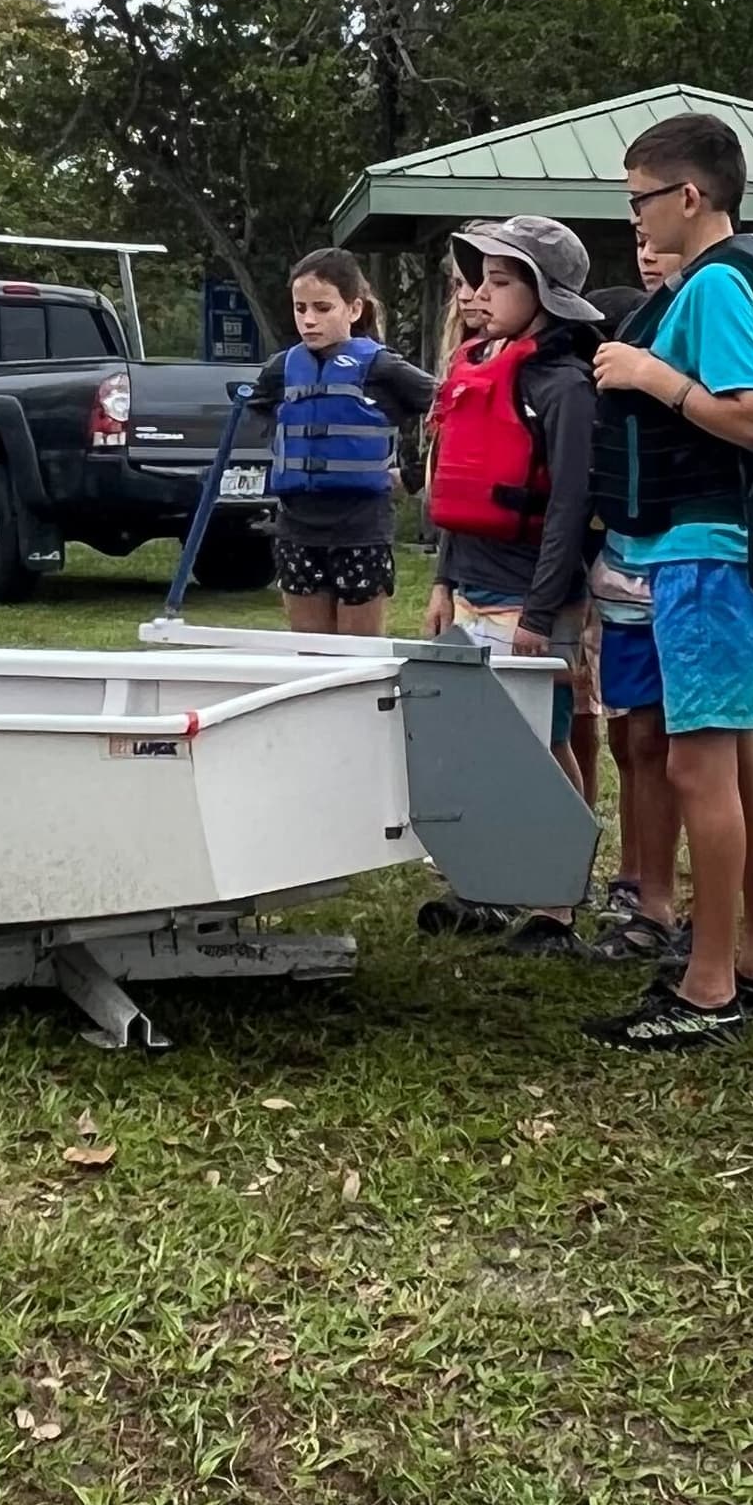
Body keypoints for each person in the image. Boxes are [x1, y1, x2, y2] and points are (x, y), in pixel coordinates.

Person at [581, 113, 753, 1048]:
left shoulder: (715, 282)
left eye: (639, 197)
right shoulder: (744, 269)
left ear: (688, 195)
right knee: (739, 762)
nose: (634, 215)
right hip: (721, 551)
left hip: (707, 552)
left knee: (698, 766)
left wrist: (649, 375)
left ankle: (708, 986)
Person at [422, 217, 604, 953]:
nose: (482, 294)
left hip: (530, 597)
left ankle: (559, 902)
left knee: (546, 745)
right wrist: (442, 581)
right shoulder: (480, 366)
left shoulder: (565, 385)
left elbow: (569, 508)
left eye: (501, 282)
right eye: (482, 280)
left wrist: (540, 612)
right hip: (471, 585)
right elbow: (461, 482)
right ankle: (497, 885)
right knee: (488, 743)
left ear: (546, 294)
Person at [580, 256, 681, 965]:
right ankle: (635, 876)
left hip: (672, 571)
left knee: (664, 745)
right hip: (615, 580)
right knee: (630, 739)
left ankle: (657, 892)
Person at [251, 248, 434, 636]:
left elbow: (455, 409)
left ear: (353, 309)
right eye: (300, 308)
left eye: (322, 308)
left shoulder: (384, 367)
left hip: (361, 530)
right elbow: (260, 415)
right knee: (311, 659)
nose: (309, 319)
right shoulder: (280, 370)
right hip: (297, 529)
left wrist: (415, 475)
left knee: (358, 660)